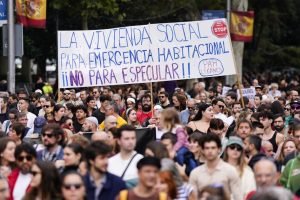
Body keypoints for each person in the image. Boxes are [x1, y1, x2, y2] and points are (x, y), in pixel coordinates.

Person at [189, 133, 242, 200]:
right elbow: (193, 198)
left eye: (213, 148)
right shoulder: (195, 173)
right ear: (202, 150)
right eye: (207, 148)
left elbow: (238, 197)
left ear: (219, 149)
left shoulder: (230, 171)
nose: (210, 151)